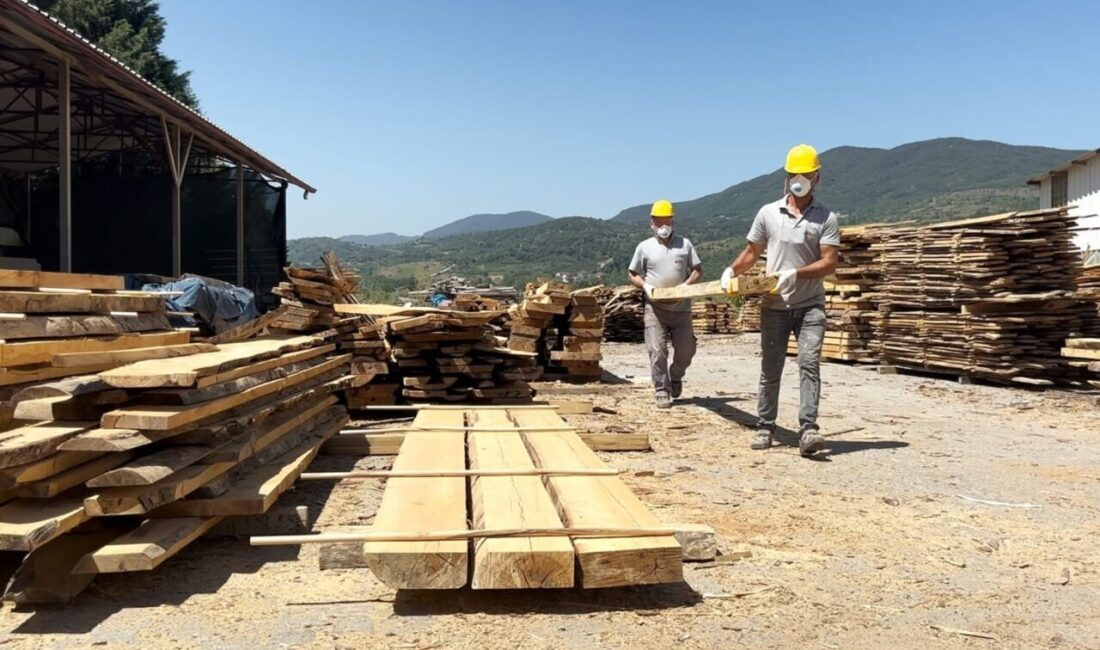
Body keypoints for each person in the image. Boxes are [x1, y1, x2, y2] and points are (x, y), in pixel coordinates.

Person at [721, 144, 840, 456]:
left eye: (805, 174)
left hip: (810, 304)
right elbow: (751, 252)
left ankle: (808, 429)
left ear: (817, 177)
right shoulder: (768, 213)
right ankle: (765, 425)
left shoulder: (825, 218)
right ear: (786, 177)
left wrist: (795, 274)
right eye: (793, 174)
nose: (798, 179)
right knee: (770, 367)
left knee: (809, 363)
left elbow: (829, 263)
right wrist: (731, 270)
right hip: (775, 306)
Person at [628, 199, 703, 408]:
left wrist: (687, 285)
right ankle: (662, 389)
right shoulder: (644, 247)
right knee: (657, 350)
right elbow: (632, 273)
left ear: (673, 221)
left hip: (681, 307)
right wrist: (644, 286)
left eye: (666, 221)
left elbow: (697, 270)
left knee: (686, 350)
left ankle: (676, 374)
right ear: (651, 223)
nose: (663, 226)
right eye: (658, 222)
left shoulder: (685, 245)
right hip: (655, 308)